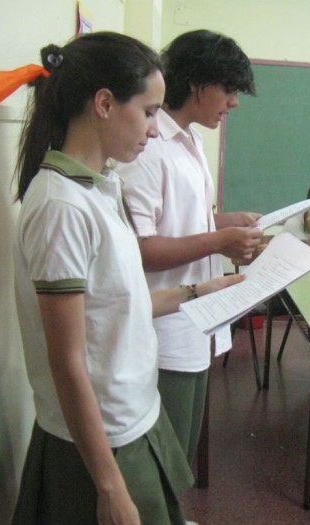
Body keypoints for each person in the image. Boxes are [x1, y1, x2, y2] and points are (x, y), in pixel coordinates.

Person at [11, 32, 242, 524]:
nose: (155, 130)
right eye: (149, 111)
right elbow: (67, 362)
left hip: (133, 414)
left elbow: (118, 304)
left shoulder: (101, 187)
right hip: (103, 438)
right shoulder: (60, 207)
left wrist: (202, 291)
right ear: (104, 104)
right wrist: (110, 487)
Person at [118, 29, 261, 466]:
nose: (234, 102)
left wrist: (226, 224)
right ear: (197, 84)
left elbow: (181, 222)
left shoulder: (190, 140)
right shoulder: (149, 148)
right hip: (166, 328)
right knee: (167, 456)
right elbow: (141, 248)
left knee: (183, 450)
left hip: (198, 319)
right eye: (229, 90)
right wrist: (219, 240)